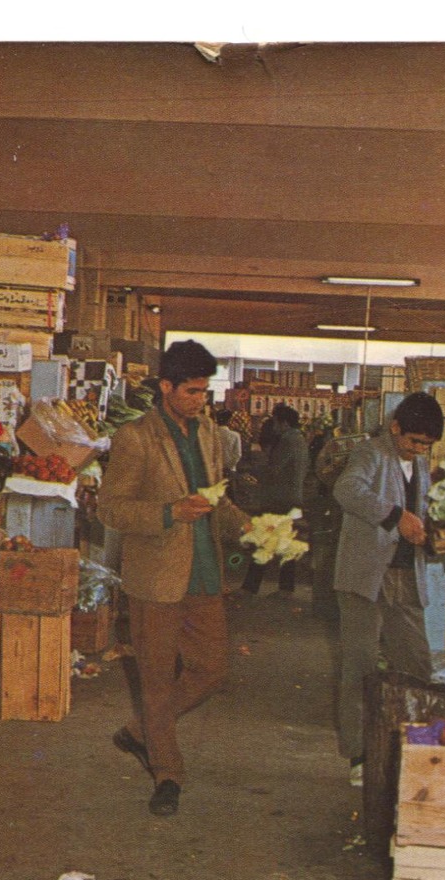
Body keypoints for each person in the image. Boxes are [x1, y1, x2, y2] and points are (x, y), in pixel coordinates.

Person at [100, 340, 250, 816]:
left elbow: (216, 499)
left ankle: (143, 731)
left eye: (205, 391)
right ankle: (167, 774)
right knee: (157, 680)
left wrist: (252, 527)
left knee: (212, 669)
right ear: (165, 387)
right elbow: (112, 509)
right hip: (157, 580)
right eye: (191, 391)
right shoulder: (135, 438)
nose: (199, 400)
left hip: (205, 575)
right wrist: (170, 512)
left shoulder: (208, 432)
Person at [331, 392, 444, 786]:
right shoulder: (370, 454)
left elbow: (420, 512)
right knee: (360, 667)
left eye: (426, 445)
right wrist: (396, 517)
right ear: (395, 428)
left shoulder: (421, 465)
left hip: (403, 578)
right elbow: (347, 491)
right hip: (364, 577)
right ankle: (359, 755)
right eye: (413, 441)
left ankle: (414, 747)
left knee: (416, 664)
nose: (418, 450)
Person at [240, 404, 309, 596]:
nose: (274, 426)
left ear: (283, 422)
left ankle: (250, 587)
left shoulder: (288, 441)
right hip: (293, 498)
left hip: (279, 499)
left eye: (276, 421)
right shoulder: (300, 439)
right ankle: (285, 588)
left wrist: (251, 470)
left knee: (264, 539)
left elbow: (274, 469)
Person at [213, 407, 243, 474]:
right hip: (230, 470)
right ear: (229, 420)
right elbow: (238, 454)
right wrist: (229, 467)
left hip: (214, 470)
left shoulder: (211, 435)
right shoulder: (235, 435)